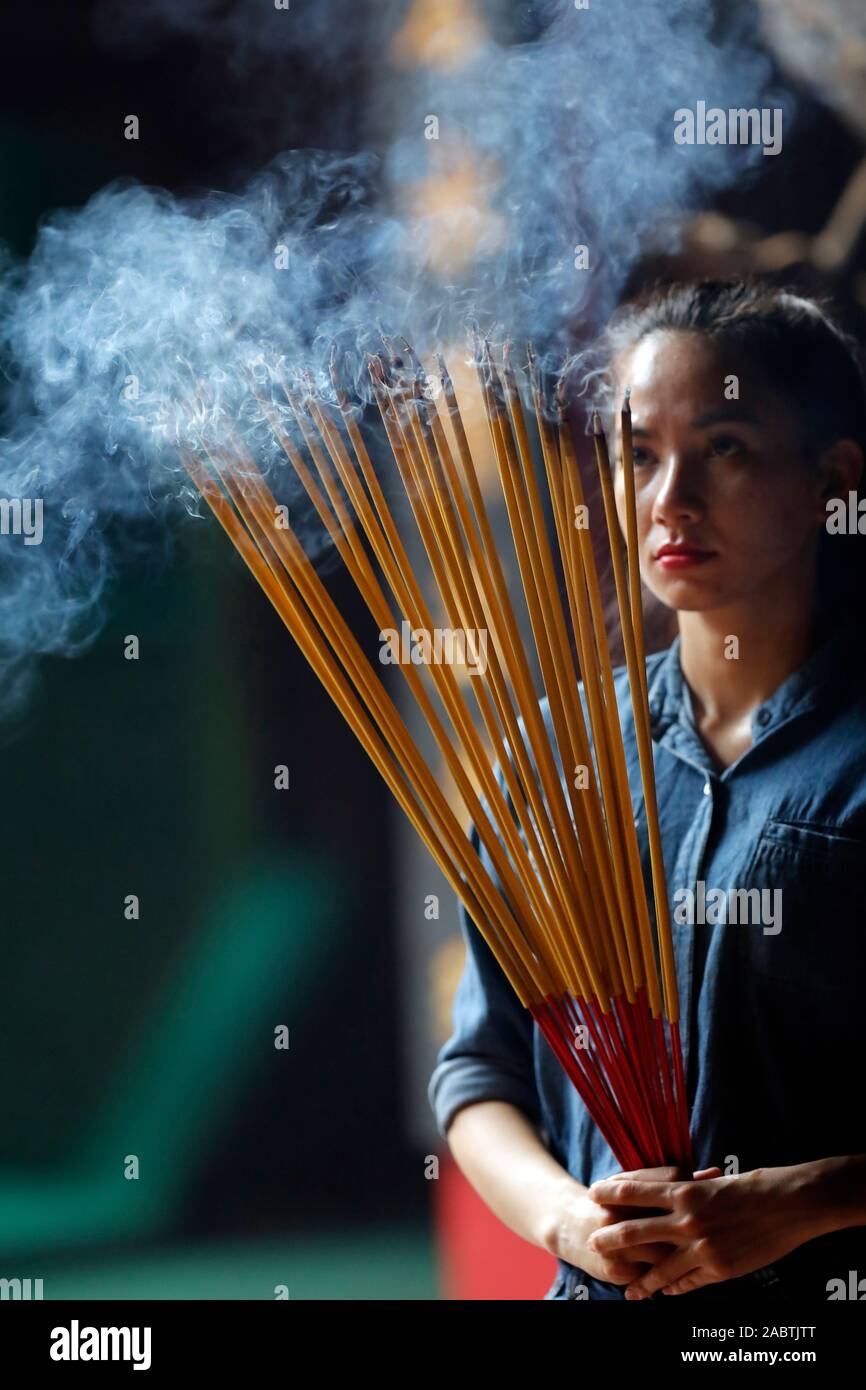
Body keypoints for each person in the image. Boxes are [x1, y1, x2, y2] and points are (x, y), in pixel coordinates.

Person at [428, 279, 866, 1301]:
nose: (667, 497)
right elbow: (480, 1069)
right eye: (638, 455)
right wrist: (568, 1220)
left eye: (722, 447)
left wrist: (805, 1202)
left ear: (830, 480)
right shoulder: (556, 753)